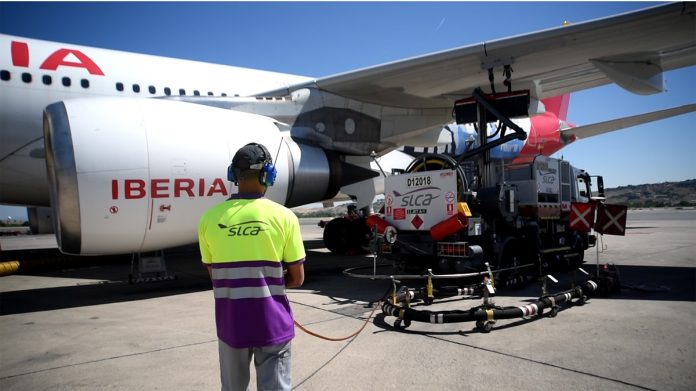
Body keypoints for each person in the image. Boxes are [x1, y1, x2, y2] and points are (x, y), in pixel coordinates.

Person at [198, 142, 305, 391]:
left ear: (233, 175)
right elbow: (297, 278)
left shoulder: (208, 219)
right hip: (273, 325)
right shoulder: (285, 217)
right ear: (269, 175)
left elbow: (216, 275)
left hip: (231, 325)